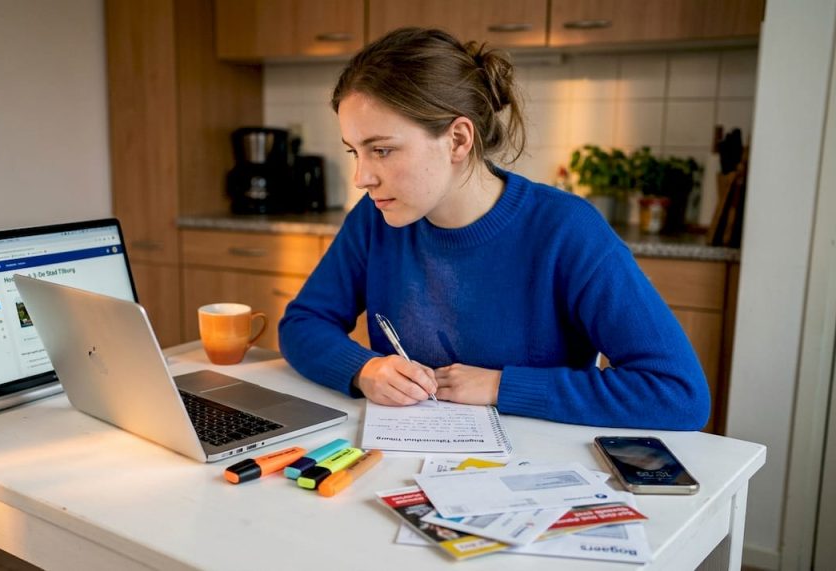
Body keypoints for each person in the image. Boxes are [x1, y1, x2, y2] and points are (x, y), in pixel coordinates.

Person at [277, 27, 710, 431]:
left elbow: (678, 393)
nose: (361, 178)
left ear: (459, 140)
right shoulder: (376, 217)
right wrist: (363, 368)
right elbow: (302, 323)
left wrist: (503, 387)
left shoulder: (567, 230)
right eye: (356, 152)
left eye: (382, 150)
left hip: (532, 480)